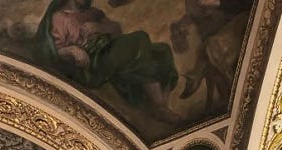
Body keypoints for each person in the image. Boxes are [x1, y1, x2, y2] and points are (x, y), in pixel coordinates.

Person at [37, 0, 183, 124]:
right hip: (93, 62)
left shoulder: (93, 12)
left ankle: (163, 103)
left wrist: (98, 27)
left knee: (161, 51)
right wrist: (73, 50)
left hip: (108, 48)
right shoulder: (59, 18)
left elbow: (116, 29)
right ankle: (159, 107)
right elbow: (53, 51)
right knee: (140, 38)